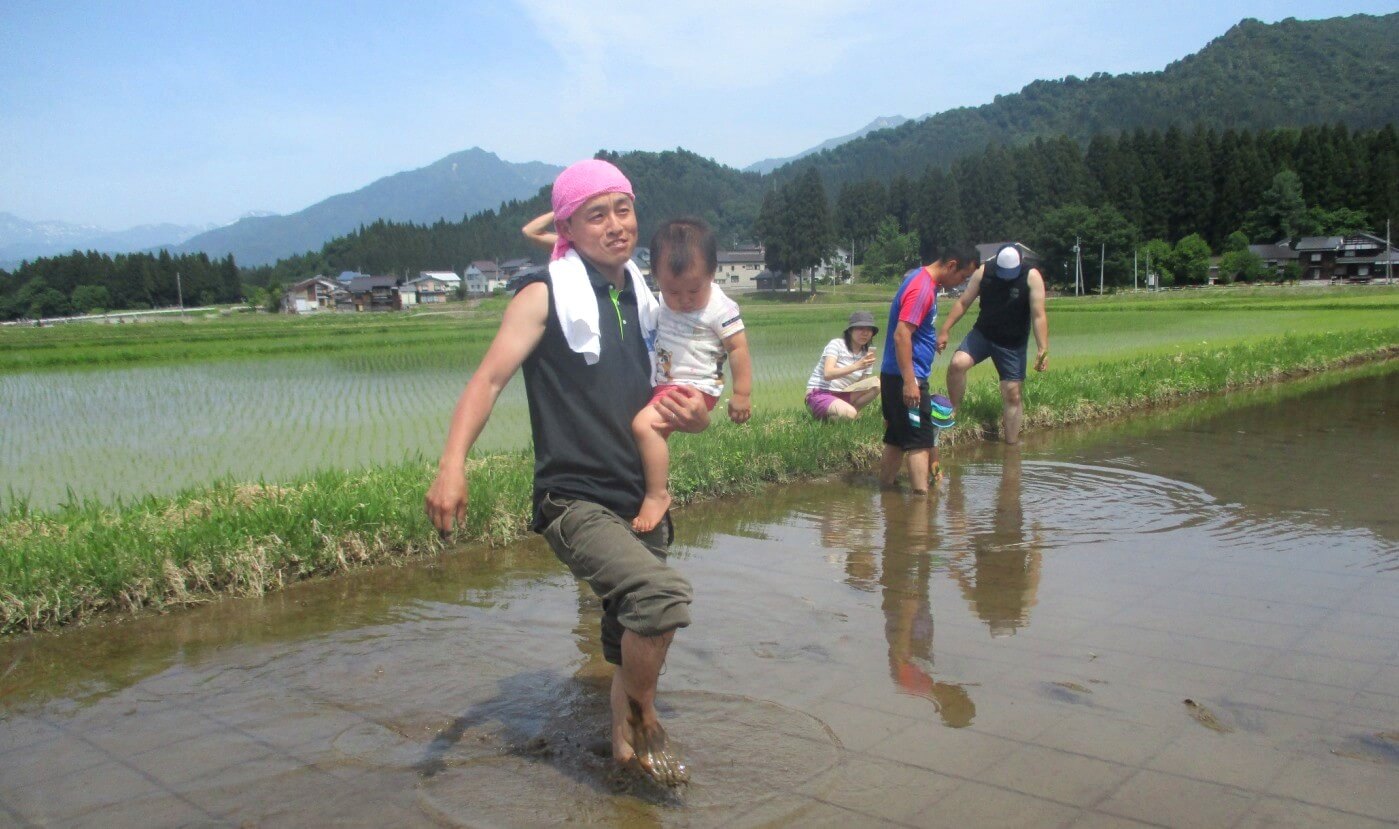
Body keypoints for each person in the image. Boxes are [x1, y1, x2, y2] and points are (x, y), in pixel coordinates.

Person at [424, 159, 710, 786]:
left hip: (638, 498)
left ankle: (623, 765)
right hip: (573, 498)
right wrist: (452, 465)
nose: (616, 225)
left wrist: (693, 417)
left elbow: (673, 393)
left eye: (623, 209)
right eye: (596, 214)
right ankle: (642, 717)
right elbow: (489, 378)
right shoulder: (543, 294)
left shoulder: (644, 292)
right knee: (659, 600)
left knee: (627, 636)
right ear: (570, 227)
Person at [632, 218, 753, 533]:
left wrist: (741, 394)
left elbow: (738, 348)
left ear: (712, 275)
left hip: (695, 388)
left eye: (693, 290)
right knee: (651, 433)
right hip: (669, 384)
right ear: (656, 278)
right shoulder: (662, 296)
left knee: (643, 426)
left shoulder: (720, 308)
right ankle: (649, 483)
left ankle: (658, 494)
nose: (684, 300)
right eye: (672, 291)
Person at [878, 245, 981, 494]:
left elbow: (913, 330)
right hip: (906, 377)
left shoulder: (921, 280)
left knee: (895, 438)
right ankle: (921, 504)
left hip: (897, 374)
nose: (961, 283)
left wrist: (929, 340)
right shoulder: (922, 288)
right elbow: (902, 335)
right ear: (952, 265)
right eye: (963, 277)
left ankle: (886, 493)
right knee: (919, 442)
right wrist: (910, 382)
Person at [937, 244, 1049, 445]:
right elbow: (964, 302)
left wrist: (1042, 349)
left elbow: (1039, 315)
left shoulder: (1031, 277)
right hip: (983, 334)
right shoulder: (984, 272)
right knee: (957, 364)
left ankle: (1012, 445)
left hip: (1012, 343)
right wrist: (945, 329)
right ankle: (953, 411)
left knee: (1012, 392)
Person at [805, 311, 881, 420]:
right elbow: (828, 373)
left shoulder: (866, 355)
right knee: (851, 414)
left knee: (876, 385)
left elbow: (860, 385)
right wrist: (856, 366)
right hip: (820, 393)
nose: (865, 333)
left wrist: (866, 370)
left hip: (843, 394)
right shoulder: (836, 344)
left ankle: (848, 414)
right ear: (850, 331)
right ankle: (847, 415)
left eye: (869, 329)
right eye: (860, 328)